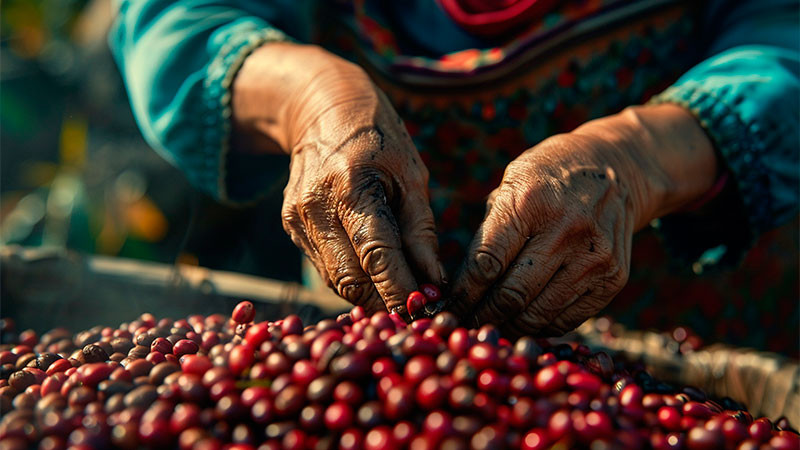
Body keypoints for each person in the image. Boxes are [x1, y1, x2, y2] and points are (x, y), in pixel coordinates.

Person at [109, 1, 799, 344]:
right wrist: (308, 99)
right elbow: (175, 19)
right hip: (374, 342)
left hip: (706, 330)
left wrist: (642, 156)